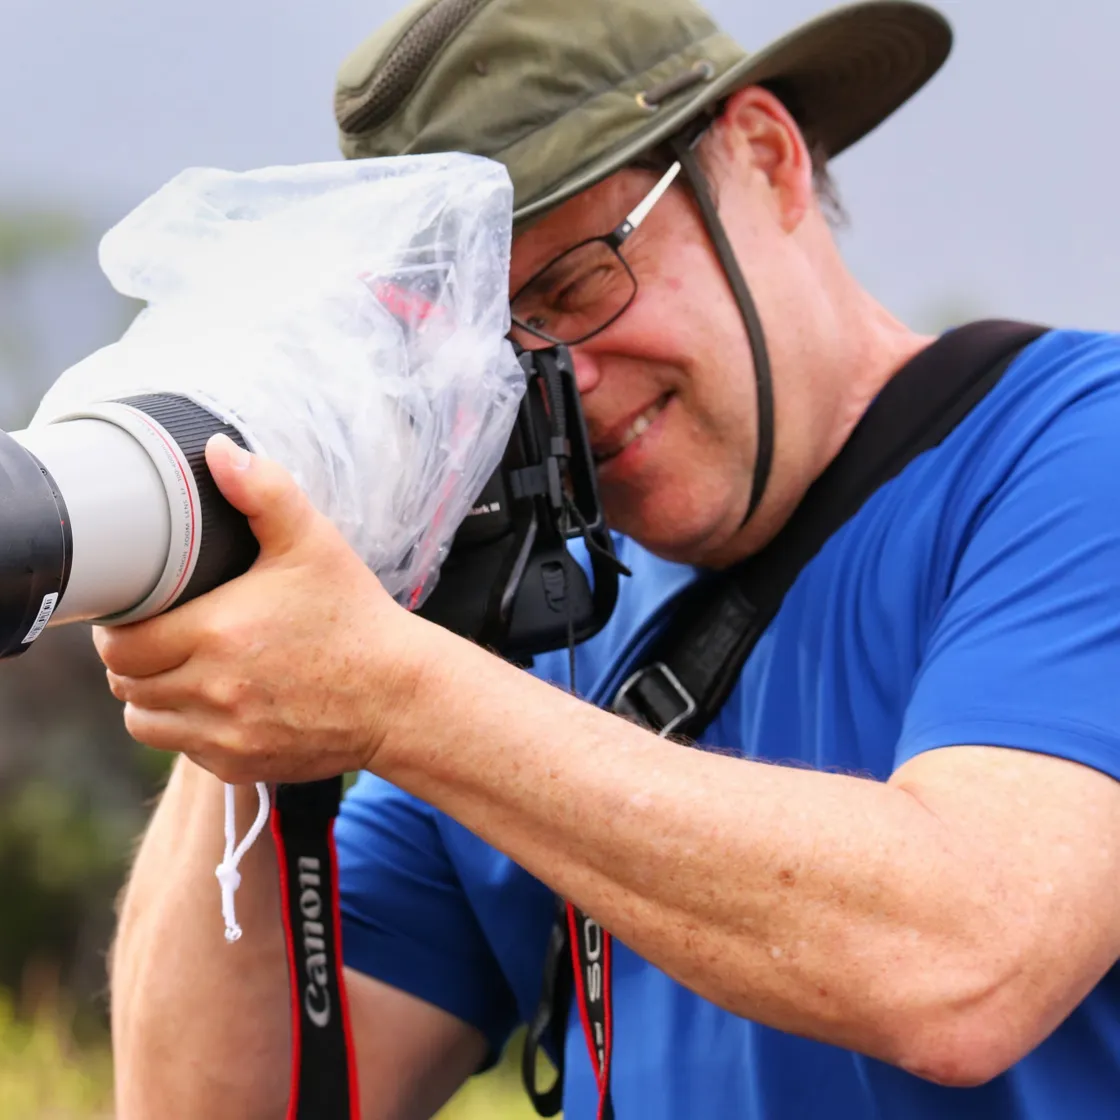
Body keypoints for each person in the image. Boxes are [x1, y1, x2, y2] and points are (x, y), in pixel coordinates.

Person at [101, 0, 1120, 1116]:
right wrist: (246, 600)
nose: (558, 382)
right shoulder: (522, 627)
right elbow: (221, 1108)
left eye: (578, 283)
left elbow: (964, 962)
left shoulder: (1071, 456)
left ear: (765, 159)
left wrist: (391, 692)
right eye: (490, 347)